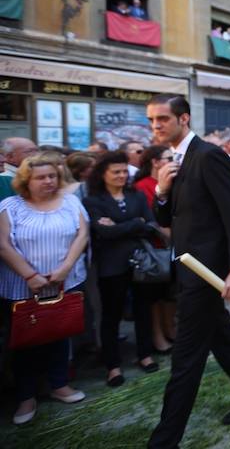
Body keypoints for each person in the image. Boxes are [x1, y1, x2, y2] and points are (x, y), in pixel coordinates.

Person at [146, 94, 230, 447]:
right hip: (189, 269)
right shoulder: (175, 160)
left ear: (183, 119)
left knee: (186, 360)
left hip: (208, 274)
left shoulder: (209, 155)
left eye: (162, 119)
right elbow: (167, 219)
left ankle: (164, 440)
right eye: (151, 120)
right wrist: (161, 190)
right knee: (222, 337)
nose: (155, 126)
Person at [0, 153, 89, 425]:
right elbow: (3, 244)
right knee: (26, 342)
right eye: (41, 177)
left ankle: (58, 384)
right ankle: (26, 396)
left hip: (65, 282)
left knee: (59, 334)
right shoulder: (10, 206)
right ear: (27, 180)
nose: (48, 181)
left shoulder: (70, 202)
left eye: (52, 176)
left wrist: (65, 268)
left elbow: (82, 235)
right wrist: (30, 275)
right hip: (23, 286)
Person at [82, 152, 161, 387]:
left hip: (140, 262)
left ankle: (144, 355)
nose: (121, 175)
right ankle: (113, 366)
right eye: (116, 171)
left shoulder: (135, 195)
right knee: (112, 315)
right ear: (102, 174)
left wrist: (124, 226)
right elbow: (103, 232)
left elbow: (149, 225)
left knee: (142, 310)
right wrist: (134, 224)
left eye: (124, 171)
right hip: (110, 265)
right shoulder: (93, 200)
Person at [132, 145, 178, 352]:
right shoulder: (143, 186)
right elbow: (152, 218)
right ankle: (158, 337)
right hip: (156, 249)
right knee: (155, 297)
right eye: (168, 158)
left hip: (174, 247)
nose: (173, 161)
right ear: (155, 162)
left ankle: (171, 330)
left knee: (170, 294)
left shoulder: (172, 181)